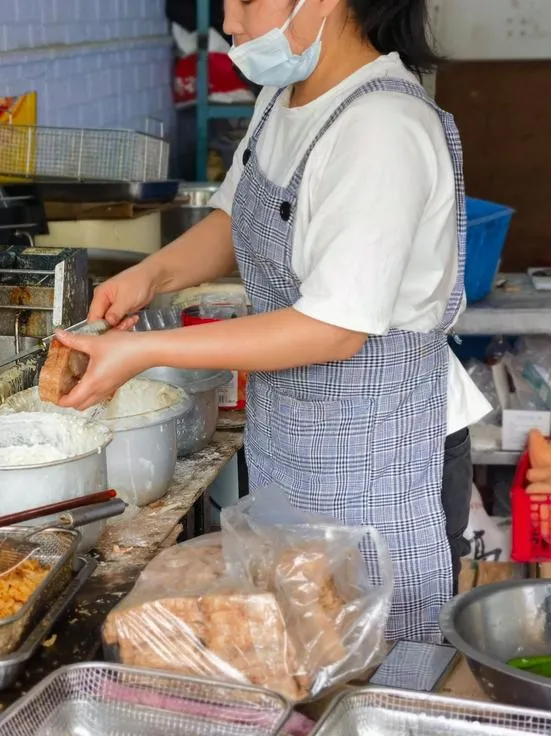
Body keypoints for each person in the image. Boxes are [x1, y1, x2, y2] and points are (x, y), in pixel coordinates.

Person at [52, 0, 492, 643]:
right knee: (299, 645)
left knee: (374, 651)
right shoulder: (280, 100)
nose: (229, 23)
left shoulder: (382, 126)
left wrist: (145, 352)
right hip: (293, 433)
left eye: (246, 1)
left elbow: (334, 329)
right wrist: (151, 276)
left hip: (383, 446)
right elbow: (236, 221)